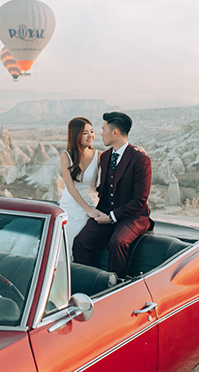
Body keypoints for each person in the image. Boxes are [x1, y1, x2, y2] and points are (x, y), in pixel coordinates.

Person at [72, 111, 152, 278]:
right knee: (81, 242)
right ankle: (86, 281)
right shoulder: (106, 156)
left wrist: (111, 217)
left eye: (103, 129)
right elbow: (107, 187)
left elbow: (140, 200)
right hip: (106, 211)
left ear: (115, 133)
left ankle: (115, 285)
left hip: (134, 216)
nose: (100, 134)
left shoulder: (140, 159)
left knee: (118, 242)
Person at [59, 117, 101, 257]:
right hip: (71, 203)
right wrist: (88, 210)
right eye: (85, 133)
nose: (90, 136)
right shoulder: (66, 155)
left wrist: (138, 151)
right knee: (68, 234)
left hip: (92, 202)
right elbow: (71, 188)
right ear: (75, 135)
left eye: (92, 131)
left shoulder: (99, 155)